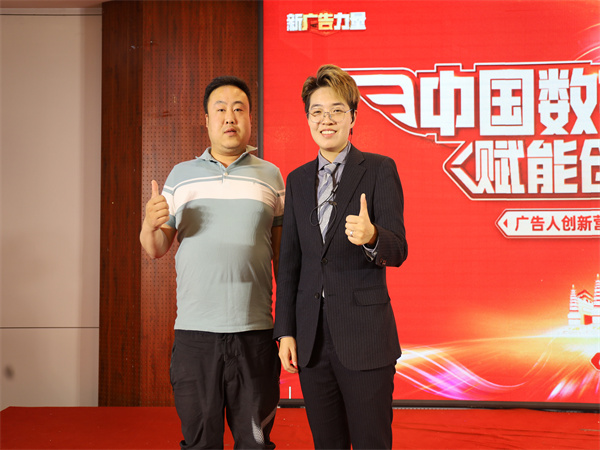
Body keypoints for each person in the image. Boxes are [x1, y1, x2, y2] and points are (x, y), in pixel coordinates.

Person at [140, 76, 284, 449]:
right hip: (195, 337)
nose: (229, 117)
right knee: (200, 443)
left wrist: (287, 328)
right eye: (220, 109)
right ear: (206, 120)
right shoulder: (180, 176)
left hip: (255, 334)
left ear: (250, 118)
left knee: (255, 443)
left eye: (239, 108)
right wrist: (149, 224)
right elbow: (156, 248)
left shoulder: (271, 176)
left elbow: (284, 260)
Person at [273, 64, 408, 449]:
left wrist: (372, 237)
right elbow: (290, 262)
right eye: (316, 111)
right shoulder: (297, 180)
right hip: (312, 340)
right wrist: (285, 331)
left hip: (365, 338)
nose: (326, 120)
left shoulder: (379, 169)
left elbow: (399, 249)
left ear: (353, 117)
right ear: (308, 119)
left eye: (336, 110)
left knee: (371, 442)